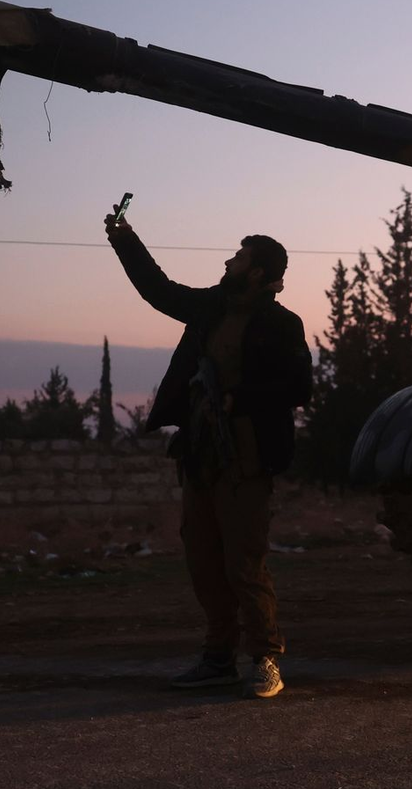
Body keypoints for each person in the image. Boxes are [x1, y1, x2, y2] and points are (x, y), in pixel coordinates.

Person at [106, 217, 312, 698]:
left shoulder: (282, 324)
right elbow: (159, 290)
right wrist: (125, 238)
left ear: (259, 272)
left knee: (244, 562)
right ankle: (218, 658)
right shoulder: (210, 308)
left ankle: (265, 658)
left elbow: (299, 387)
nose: (228, 262)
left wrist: (241, 399)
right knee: (203, 560)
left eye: (238, 258)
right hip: (201, 455)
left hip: (248, 458)